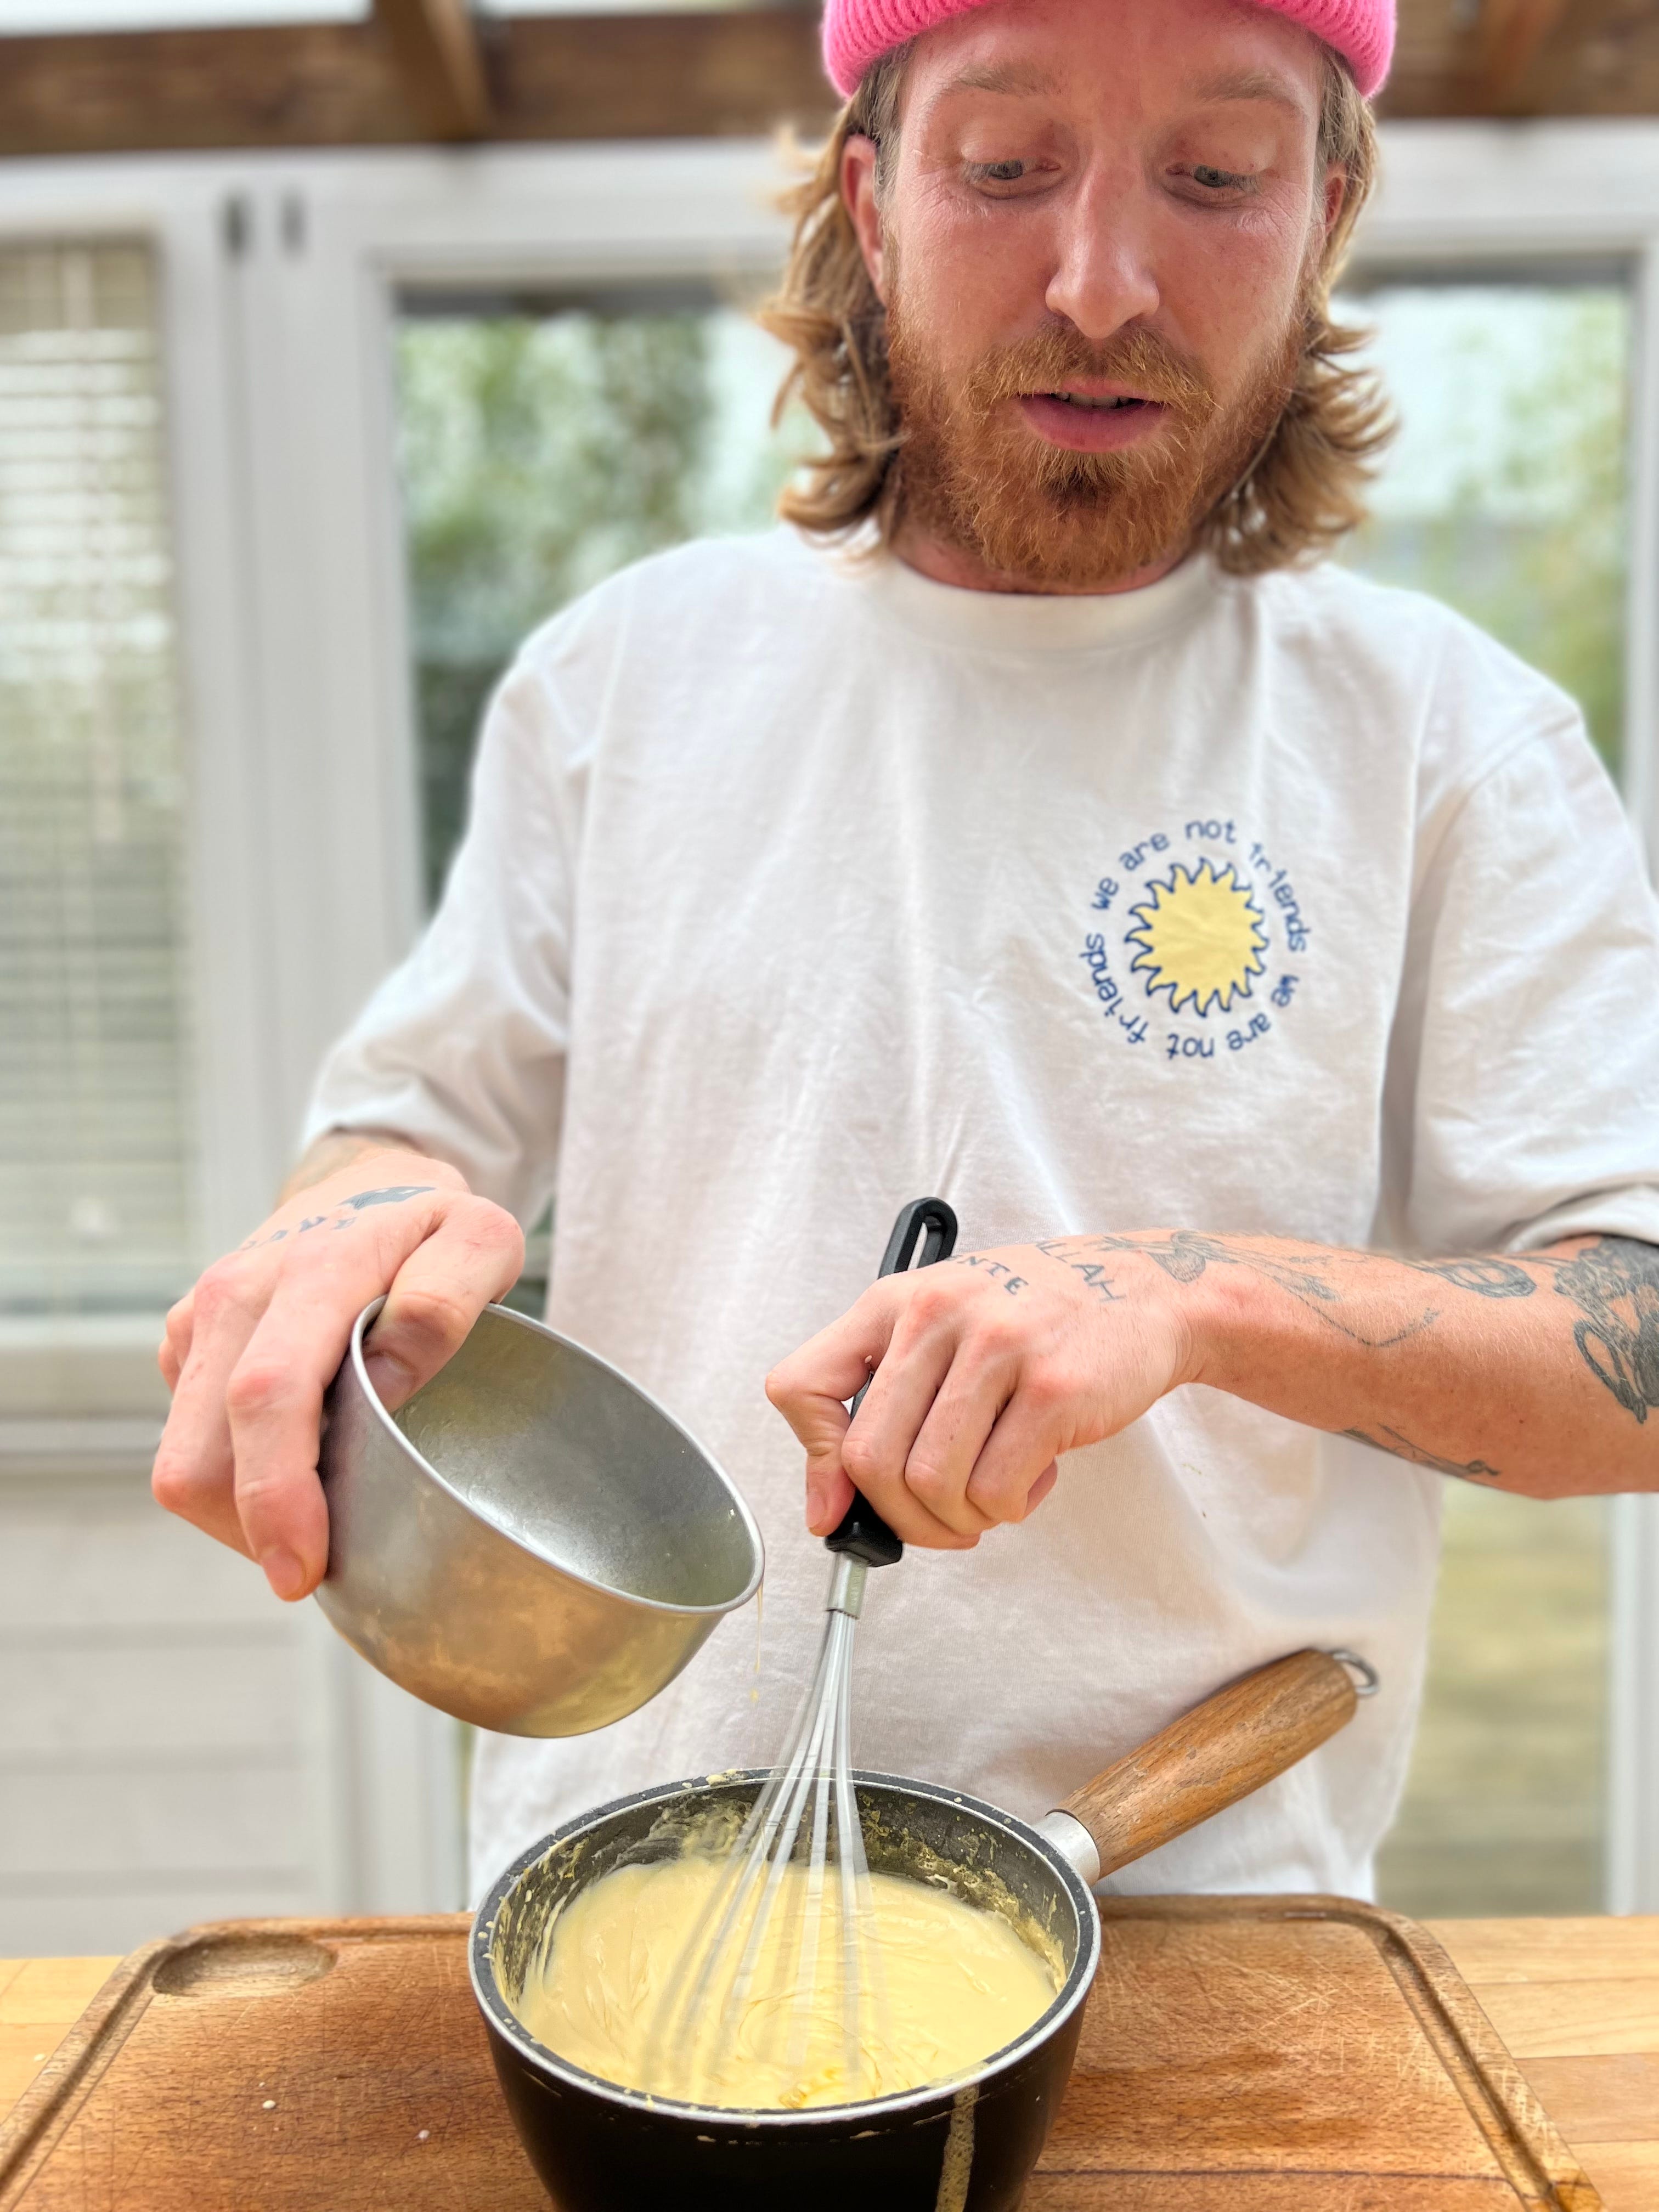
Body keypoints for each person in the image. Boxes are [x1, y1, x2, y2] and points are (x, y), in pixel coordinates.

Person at [153, 0, 1659, 1905]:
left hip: (1205, 1924)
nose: (1102, 283)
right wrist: (336, 1225)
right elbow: (407, 1129)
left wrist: (1191, 1298)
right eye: (1006, 167)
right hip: (631, 1894)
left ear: (1326, 213)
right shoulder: (628, 682)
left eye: (1214, 176)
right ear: (872, 204)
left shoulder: (1449, 737)